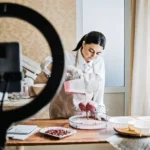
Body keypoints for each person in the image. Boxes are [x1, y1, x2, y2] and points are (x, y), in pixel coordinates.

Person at [34, 31, 107, 120]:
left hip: (85, 114)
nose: (93, 56)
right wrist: (66, 68)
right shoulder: (67, 56)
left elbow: (100, 90)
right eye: (91, 50)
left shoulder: (99, 62)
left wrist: (100, 111)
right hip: (62, 112)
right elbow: (45, 65)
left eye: (98, 53)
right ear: (83, 44)